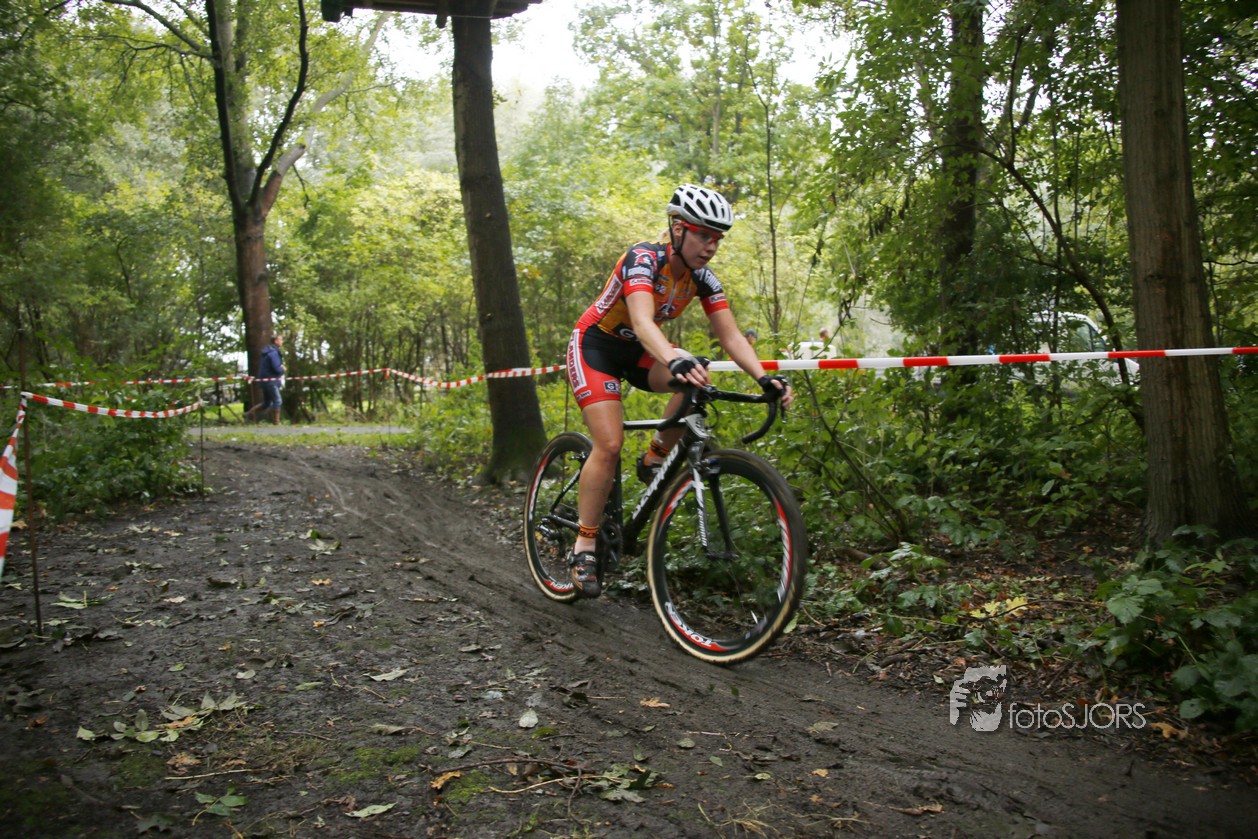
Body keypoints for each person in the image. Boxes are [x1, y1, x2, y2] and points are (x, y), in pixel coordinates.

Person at [564, 184, 793, 597]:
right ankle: (584, 544)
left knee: (697, 374)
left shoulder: (702, 279)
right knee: (609, 444)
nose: (711, 246)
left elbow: (731, 336)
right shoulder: (643, 259)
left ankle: (654, 458)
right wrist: (672, 358)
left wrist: (764, 378)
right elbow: (641, 320)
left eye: (717, 238)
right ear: (678, 229)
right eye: (703, 235)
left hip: (639, 352)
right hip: (595, 347)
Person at [245, 334, 285, 424]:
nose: (282, 342)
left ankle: (249, 414)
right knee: (278, 401)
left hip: (265, 381)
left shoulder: (267, 352)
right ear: (276, 341)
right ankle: (276, 422)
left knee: (266, 403)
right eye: (281, 340)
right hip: (271, 381)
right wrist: (282, 369)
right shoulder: (274, 353)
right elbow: (276, 368)